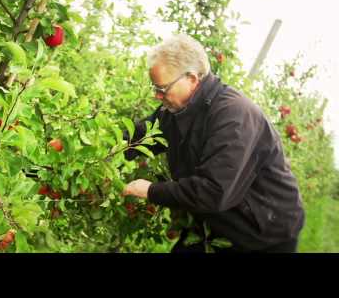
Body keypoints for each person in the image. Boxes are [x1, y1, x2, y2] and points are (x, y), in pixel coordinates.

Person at [121, 34, 305, 253]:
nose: (156, 96)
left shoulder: (233, 115)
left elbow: (212, 191)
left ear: (191, 78)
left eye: (162, 89)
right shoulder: (175, 111)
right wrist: (105, 146)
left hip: (261, 235)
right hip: (216, 223)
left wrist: (151, 191)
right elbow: (140, 137)